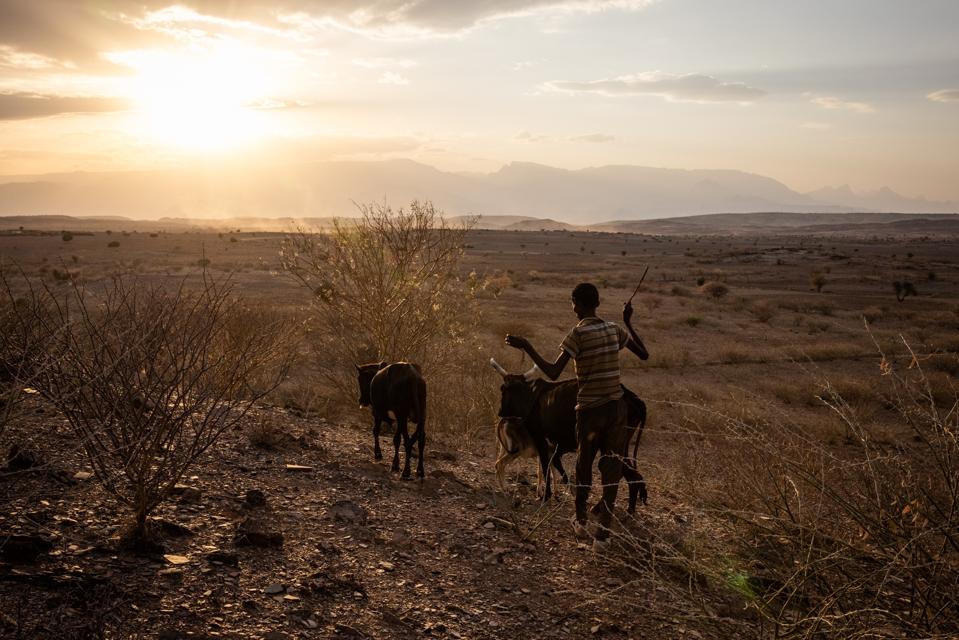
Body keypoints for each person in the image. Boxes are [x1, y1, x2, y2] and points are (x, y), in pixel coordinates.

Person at [505, 282, 648, 549]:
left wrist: (527, 346)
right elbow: (644, 354)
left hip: (590, 410)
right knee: (612, 467)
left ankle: (580, 522)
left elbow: (553, 372)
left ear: (579, 304)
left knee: (584, 466)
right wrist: (629, 321)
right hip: (617, 409)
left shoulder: (577, 334)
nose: (573, 309)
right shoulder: (614, 329)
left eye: (573, 303)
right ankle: (603, 536)